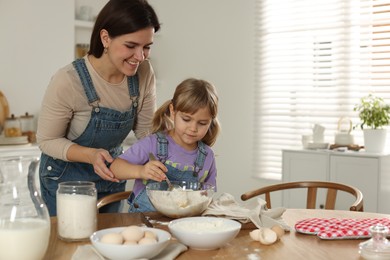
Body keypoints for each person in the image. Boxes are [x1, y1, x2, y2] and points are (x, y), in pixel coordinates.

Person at [36, 0, 160, 216]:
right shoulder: (68, 80)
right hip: (65, 181)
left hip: (110, 177)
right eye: (131, 46)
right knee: (71, 246)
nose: (140, 57)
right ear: (105, 38)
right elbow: (47, 141)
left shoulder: (144, 73)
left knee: (109, 243)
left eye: (146, 47)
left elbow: (146, 132)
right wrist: (91, 155)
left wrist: (173, 153)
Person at [110, 78, 221, 212]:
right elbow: (115, 168)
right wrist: (141, 171)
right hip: (145, 221)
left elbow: (209, 194)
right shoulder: (153, 144)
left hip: (183, 225)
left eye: (202, 123)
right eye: (186, 119)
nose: (193, 128)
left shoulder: (207, 156)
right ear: (172, 111)